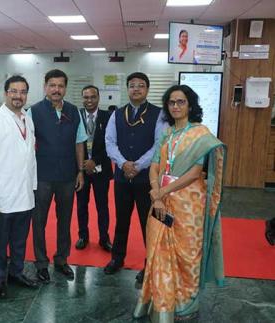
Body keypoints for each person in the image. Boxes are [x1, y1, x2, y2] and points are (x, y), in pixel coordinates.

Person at [134, 84, 226, 322]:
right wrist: (156, 192)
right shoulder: (166, 134)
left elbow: (196, 172)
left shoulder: (200, 134)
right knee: (159, 250)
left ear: (190, 105)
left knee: (188, 254)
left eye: (181, 102)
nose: (175, 106)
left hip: (188, 204)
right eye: (171, 102)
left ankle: (185, 302)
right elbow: (155, 165)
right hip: (161, 200)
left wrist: (161, 191)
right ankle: (163, 301)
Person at [104, 72, 168, 287]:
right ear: (127, 89)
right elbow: (110, 142)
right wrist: (123, 164)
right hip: (122, 178)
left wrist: (138, 165)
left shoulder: (159, 115)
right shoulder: (117, 114)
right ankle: (117, 258)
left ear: (147, 90)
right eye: (132, 86)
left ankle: (150, 262)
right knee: (121, 220)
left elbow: (159, 145)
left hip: (146, 180)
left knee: (147, 223)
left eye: (141, 86)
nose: (136, 89)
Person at [0, 75, 38, 299]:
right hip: (2, 195)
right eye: (14, 91)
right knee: (1, 243)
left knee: (20, 240)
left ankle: (17, 273)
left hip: (24, 193)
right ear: (5, 93)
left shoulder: (27, 120)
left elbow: (31, 157)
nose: (18, 96)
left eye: (22, 92)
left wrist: (32, 185)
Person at [28, 69, 87, 282]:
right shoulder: (33, 111)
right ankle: (41, 263)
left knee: (64, 220)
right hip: (42, 176)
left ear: (65, 88)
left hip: (67, 176)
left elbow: (79, 142)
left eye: (60, 86)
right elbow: (25, 145)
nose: (56, 89)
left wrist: (80, 171)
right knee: (39, 221)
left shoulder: (73, 111)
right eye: (52, 85)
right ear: (45, 87)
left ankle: (61, 260)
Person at [75, 85, 113, 252]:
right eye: (86, 97)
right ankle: (83, 236)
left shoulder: (108, 117)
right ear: (82, 98)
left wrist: (95, 160)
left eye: (92, 97)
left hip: (100, 169)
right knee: (81, 205)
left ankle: (104, 238)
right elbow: (73, 143)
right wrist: (83, 164)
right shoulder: (76, 117)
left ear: (98, 98)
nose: (89, 100)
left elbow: (112, 143)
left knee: (102, 206)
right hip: (80, 171)